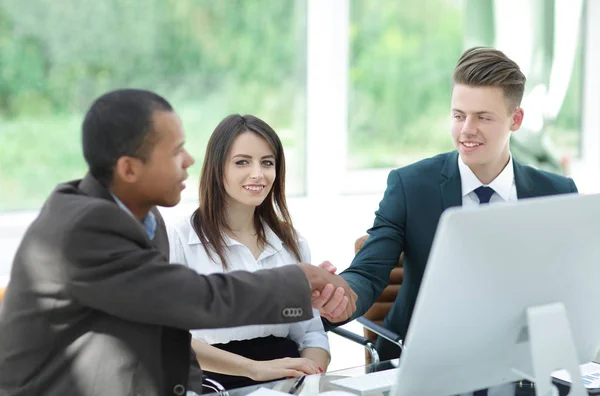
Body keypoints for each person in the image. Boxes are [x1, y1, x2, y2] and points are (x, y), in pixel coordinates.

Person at [0, 89, 355, 396]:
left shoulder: (143, 220)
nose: (189, 161)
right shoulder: (87, 227)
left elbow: (162, 331)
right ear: (129, 170)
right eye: (175, 152)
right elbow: (194, 300)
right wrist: (299, 280)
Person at [325, 47, 578, 364]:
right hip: (425, 361)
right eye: (458, 115)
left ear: (516, 120)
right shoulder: (410, 186)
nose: (466, 130)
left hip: (521, 363)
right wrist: (341, 297)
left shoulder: (555, 193)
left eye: (483, 117)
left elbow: (575, 284)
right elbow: (369, 272)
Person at [168, 114, 330, 390]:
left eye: (267, 162)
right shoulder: (179, 239)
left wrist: (308, 378)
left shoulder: (292, 241)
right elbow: (169, 338)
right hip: (213, 382)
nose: (258, 174)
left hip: (286, 382)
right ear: (218, 169)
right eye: (242, 162)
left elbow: (311, 335)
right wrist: (254, 370)